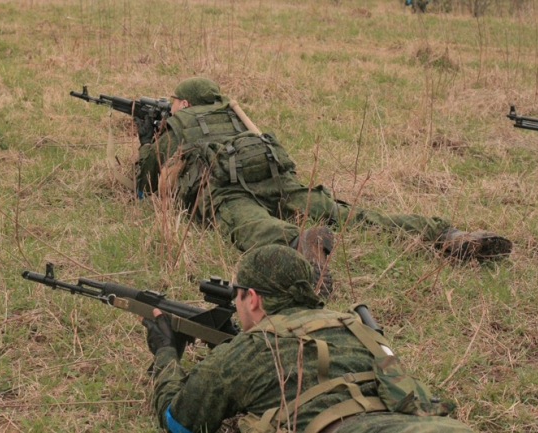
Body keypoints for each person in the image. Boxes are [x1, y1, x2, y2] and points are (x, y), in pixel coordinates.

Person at [135, 77, 512, 295]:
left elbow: (146, 183)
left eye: (175, 102)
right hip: (275, 174)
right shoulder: (232, 112)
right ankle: (444, 234)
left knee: (250, 224)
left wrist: (147, 140)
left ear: (184, 102)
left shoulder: (181, 123)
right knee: (347, 213)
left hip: (226, 185)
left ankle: (300, 245)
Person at [141, 244, 474, 432]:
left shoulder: (248, 350)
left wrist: (165, 352)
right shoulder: (354, 325)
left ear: (253, 298)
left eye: (238, 295)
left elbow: (179, 421)